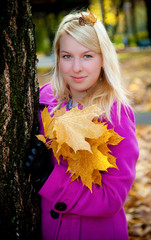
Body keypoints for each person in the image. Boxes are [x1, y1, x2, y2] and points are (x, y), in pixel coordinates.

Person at [26, 9, 139, 240]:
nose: (76, 68)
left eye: (87, 56)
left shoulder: (115, 115)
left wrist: (48, 178)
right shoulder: (44, 102)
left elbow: (112, 198)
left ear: (103, 59)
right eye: (67, 56)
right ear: (58, 57)